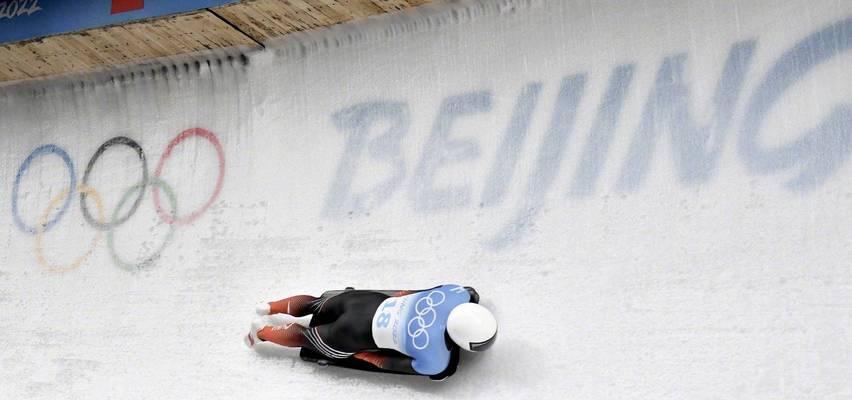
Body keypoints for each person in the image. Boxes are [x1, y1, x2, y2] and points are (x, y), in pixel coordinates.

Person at [245, 284, 497, 377]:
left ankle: (269, 306)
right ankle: (262, 333)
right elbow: (386, 363)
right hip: (353, 334)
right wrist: (363, 356)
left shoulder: (456, 293)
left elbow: (408, 293)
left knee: (315, 302)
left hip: (365, 301)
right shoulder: (436, 361)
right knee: (307, 338)